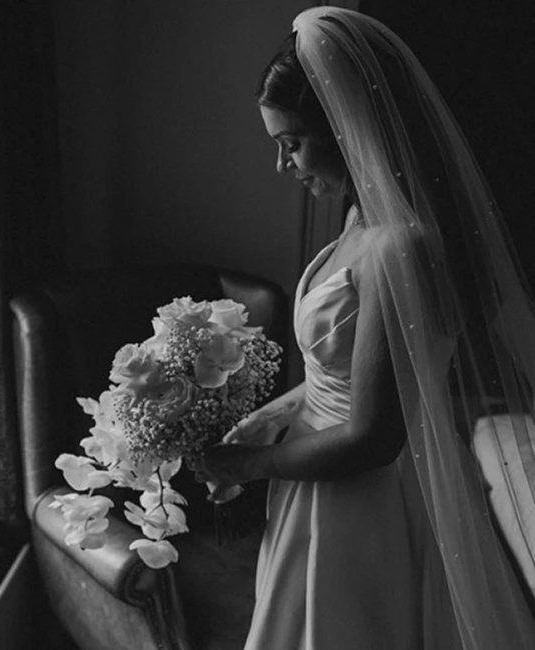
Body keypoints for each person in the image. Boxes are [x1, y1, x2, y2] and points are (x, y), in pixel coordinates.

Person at [194, 7, 535, 649]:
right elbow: (345, 376)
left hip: (360, 498)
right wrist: (273, 414)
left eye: (291, 142)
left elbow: (375, 434)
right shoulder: (360, 221)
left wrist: (255, 461)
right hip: (316, 476)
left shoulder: (397, 245)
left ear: (345, 130)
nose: (282, 165)